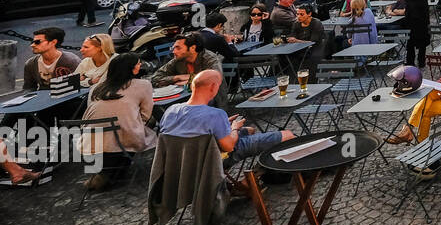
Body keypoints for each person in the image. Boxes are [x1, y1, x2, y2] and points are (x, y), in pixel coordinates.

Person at [158, 68, 293, 160]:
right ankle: (257, 176)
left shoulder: (170, 110)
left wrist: (224, 124)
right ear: (213, 87)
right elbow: (229, 146)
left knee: (250, 130)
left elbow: (192, 128)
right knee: (288, 135)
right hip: (214, 160)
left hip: (182, 163)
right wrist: (234, 127)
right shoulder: (215, 114)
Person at [78, 53, 158, 191]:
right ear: (133, 69)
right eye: (138, 63)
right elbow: (145, 115)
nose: (140, 65)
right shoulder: (143, 84)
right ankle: (117, 168)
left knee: (116, 129)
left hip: (89, 140)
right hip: (123, 137)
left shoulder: (98, 87)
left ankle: (109, 172)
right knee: (149, 122)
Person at [152, 33, 224, 99]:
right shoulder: (178, 59)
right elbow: (155, 78)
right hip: (183, 99)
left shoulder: (209, 58)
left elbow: (216, 78)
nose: (174, 51)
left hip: (211, 100)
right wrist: (177, 77)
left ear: (192, 48)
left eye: (178, 48)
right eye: (174, 48)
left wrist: (191, 79)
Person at [285, 5, 326, 79]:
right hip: (299, 48)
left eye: (302, 14)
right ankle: (289, 77)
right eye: (297, 14)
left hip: (314, 48)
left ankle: (308, 78)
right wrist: (289, 40)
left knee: (310, 57)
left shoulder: (316, 23)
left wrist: (297, 41)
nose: (299, 17)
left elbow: (313, 42)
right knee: (284, 56)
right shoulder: (296, 24)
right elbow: (293, 36)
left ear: (309, 14)